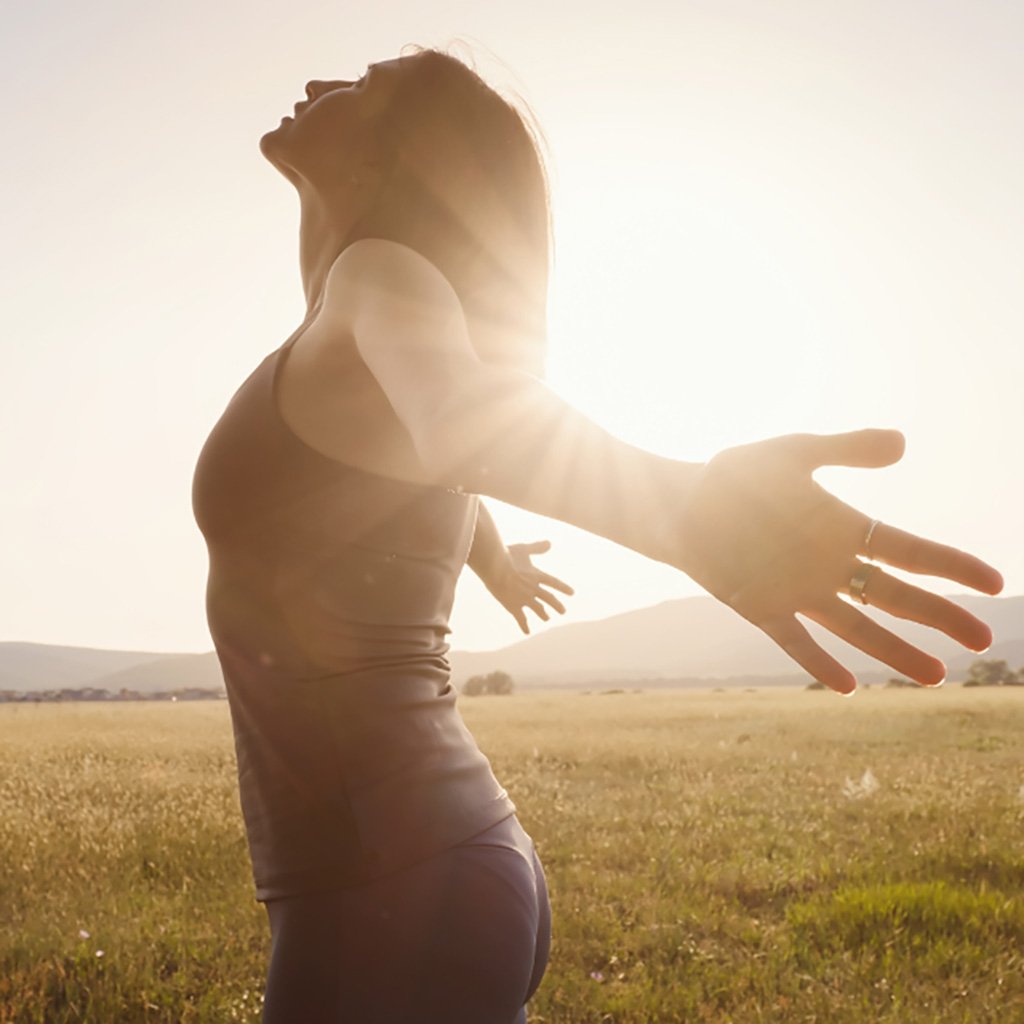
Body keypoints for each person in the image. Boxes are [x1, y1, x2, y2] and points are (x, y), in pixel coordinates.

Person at [192, 49, 1003, 1024]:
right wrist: (489, 555)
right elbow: (425, 450)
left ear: (394, 155)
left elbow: (462, 426)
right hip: (425, 865)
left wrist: (692, 514)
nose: (322, 83)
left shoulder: (380, 276)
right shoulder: (356, 314)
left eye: (364, 84)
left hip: (389, 882)